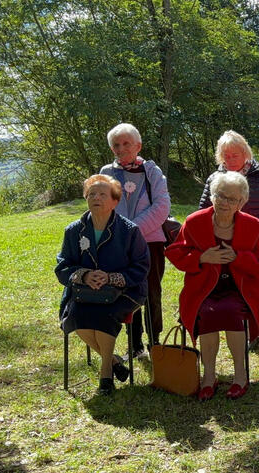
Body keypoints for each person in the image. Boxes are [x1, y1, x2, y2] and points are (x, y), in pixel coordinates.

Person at [166, 172, 259, 401]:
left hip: (241, 290)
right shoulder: (195, 221)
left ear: (241, 202)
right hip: (204, 288)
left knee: (229, 311)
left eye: (232, 199)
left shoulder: (253, 225)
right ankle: (209, 377)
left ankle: (240, 376)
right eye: (220, 196)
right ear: (212, 196)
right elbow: (176, 252)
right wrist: (201, 257)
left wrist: (238, 257)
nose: (225, 202)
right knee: (207, 312)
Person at [199, 130, 259, 357]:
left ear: (246, 153)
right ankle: (254, 336)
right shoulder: (215, 179)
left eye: (235, 154)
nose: (231, 159)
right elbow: (203, 211)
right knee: (242, 294)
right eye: (226, 155)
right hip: (231, 247)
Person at [55, 175, 150, 395]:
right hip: (84, 292)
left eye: (102, 194)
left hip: (126, 291)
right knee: (76, 316)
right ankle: (115, 361)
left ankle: (105, 374)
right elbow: (62, 266)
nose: (96, 198)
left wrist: (110, 278)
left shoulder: (129, 231)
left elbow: (141, 267)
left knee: (104, 315)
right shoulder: (73, 231)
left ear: (115, 201)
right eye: (91, 194)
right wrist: (85, 275)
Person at [99, 123, 169, 359]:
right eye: (116, 145)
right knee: (127, 292)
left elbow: (162, 206)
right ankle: (135, 344)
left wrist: (132, 230)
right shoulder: (106, 172)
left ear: (138, 146)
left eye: (126, 143)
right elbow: (101, 206)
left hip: (150, 243)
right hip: (119, 245)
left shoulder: (152, 171)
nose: (121, 148)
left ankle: (155, 341)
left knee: (151, 292)